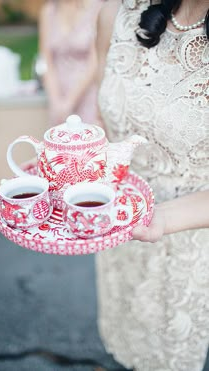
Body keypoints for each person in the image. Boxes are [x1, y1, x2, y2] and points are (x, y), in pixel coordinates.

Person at [95, 1, 209, 370]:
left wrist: (162, 217)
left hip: (197, 255)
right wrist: (75, 160)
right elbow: (107, 108)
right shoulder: (119, 12)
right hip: (123, 234)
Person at [39, 0, 104, 126]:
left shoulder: (97, 8)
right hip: (58, 92)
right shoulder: (48, 11)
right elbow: (46, 59)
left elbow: (95, 61)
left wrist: (69, 102)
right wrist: (56, 101)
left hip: (88, 94)